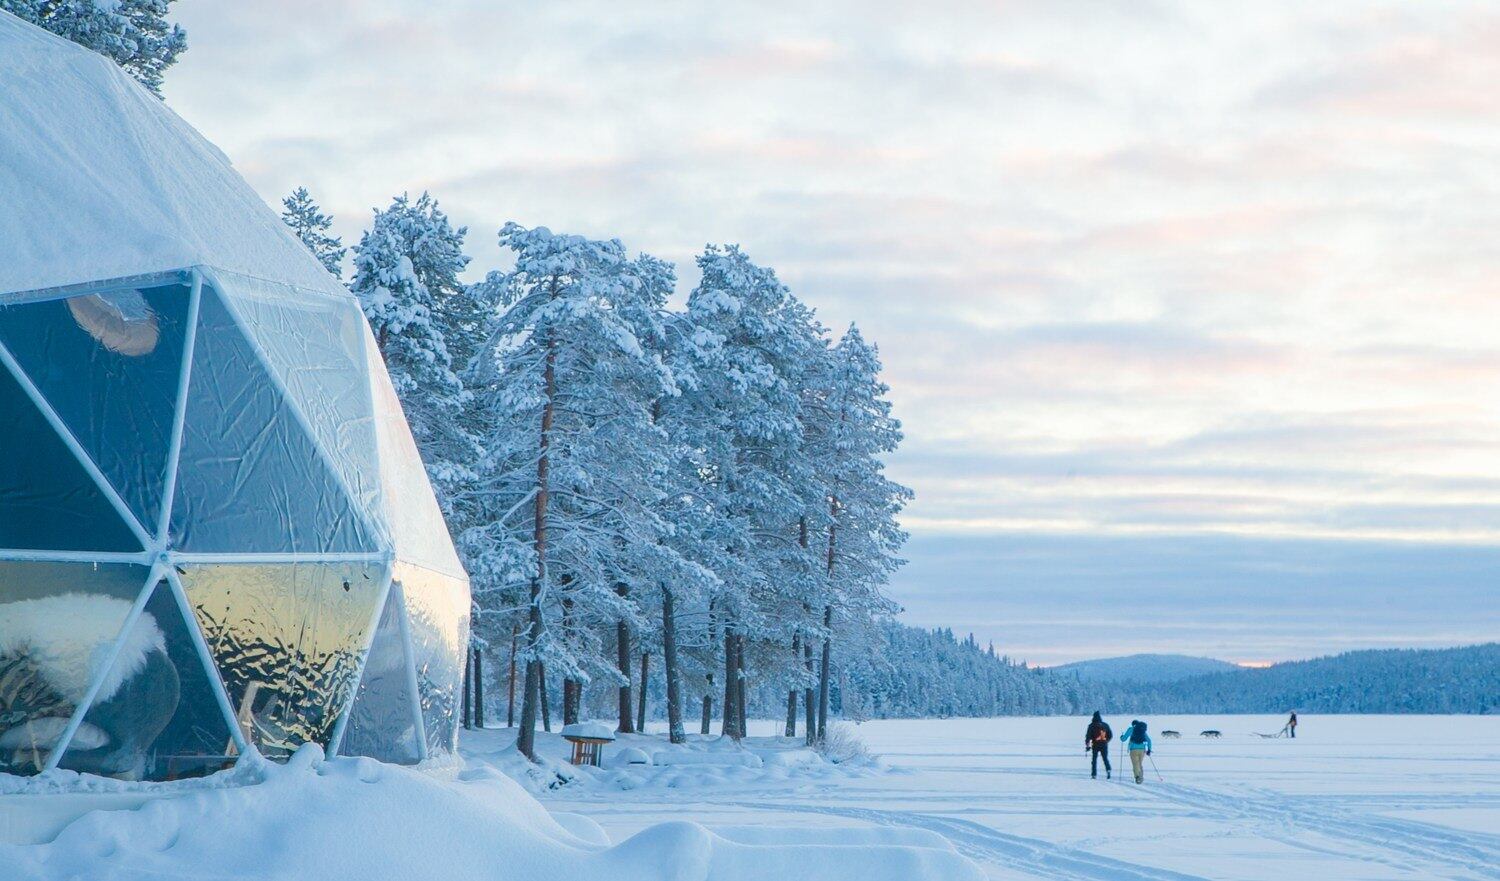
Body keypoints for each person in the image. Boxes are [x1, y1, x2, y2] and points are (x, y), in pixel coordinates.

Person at [1084, 711, 1112, 779]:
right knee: (1105, 759)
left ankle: (1094, 774)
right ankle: (1108, 770)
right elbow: (1110, 735)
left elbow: (1088, 737)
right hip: (1104, 744)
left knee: (1094, 760)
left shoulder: (1091, 725)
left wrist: (1087, 746)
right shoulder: (1105, 725)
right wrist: (1106, 741)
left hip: (1095, 745)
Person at [1123, 719, 1152, 784]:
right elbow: (1149, 740)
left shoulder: (1131, 729)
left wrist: (1121, 737)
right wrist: (1149, 750)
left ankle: (1137, 777)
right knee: (1139, 764)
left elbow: (1124, 739)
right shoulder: (1142, 731)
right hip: (1142, 750)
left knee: (1135, 764)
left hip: (1133, 749)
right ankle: (1141, 778)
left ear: (1133, 725)